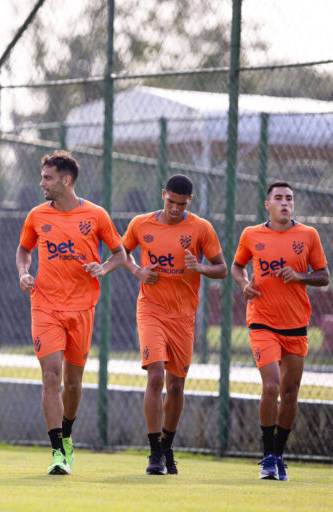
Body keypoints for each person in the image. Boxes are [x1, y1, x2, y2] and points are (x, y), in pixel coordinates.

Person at [16, 150, 126, 475]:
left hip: (82, 308)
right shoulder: (36, 215)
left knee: (73, 384)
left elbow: (119, 254)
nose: (42, 183)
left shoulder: (96, 215)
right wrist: (24, 272)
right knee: (50, 375)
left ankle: (67, 435)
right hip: (45, 305)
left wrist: (103, 268)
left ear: (66, 180)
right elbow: (24, 249)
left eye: (48, 178)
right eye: (42, 177)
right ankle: (57, 452)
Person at [122, 174, 227, 475]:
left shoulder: (200, 228)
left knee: (176, 386)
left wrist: (201, 267)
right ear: (163, 194)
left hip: (183, 316)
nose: (175, 209)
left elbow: (221, 267)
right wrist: (138, 271)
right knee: (155, 376)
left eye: (181, 204)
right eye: (170, 202)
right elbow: (122, 252)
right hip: (151, 310)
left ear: (189, 201)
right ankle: (155, 453)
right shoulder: (141, 224)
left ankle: (168, 446)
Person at [231, 181, 329, 481]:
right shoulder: (251, 234)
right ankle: (267, 457)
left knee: (290, 392)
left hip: (296, 325)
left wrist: (299, 276)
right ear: (268, 204)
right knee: (271, 386)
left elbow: (324, 276)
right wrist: (244, 285)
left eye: (289, 198)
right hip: (262, 321)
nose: (285, 203)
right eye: (279, 198)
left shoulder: (308, 235)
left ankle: (279, 454)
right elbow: (237, 267)